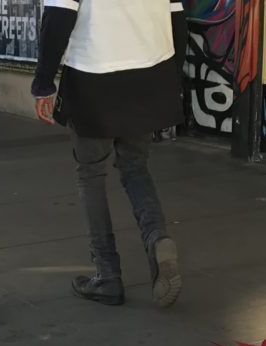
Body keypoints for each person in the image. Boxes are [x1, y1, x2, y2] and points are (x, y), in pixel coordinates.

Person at [31, 0, 186, 308]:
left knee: (91, 174)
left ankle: (107, 275)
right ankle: (157, 239)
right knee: (136, 168)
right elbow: (176, 17)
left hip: (93, 77)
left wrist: (43, 81)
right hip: (151, 74)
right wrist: (171, 78)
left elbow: (59, 16)